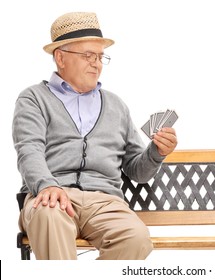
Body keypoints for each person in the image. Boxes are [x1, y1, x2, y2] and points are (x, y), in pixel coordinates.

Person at [12, 12, 177, 260]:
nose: (96, 63)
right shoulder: (33, 98)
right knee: (49, 215)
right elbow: (29, 150)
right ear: (60, 58)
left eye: (100, 57)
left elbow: (137, 171)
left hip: (105, 203)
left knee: (136, 238)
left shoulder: (116, 105)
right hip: (51, 195)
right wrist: (46, 185)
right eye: (88, 55)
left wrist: (157, 152)